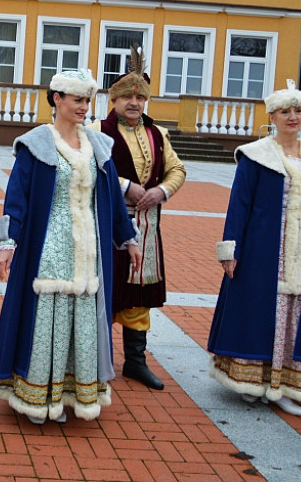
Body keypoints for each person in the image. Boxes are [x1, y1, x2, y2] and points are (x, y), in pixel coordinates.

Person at [0, 69, 141, 424]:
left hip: (89, 251)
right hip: (49, 248)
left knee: (81, 323)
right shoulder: (37, 143)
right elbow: (17, 198)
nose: (84, 107)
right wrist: (7, 243)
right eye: (77, 100)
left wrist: (127, 237)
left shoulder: (97, 146)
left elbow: (112, 200)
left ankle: (69, 394)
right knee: (48, 323)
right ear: (57, 99)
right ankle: (38, 396)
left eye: (87, 100)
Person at [208, 80, 301, 417]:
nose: (292, 116)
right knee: (259, 312)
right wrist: (231, 249)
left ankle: (283, 387)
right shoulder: (256, 156)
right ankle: (253, 383)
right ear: (272, 115)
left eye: (298, 110)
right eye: (285, 110)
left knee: (296, 317)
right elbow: (239, 205)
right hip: (262, 251)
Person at [87, 54, 185, 390]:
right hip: (108, 227)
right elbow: (87, 170)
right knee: (104, 290)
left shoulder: (158, 133)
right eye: (127, 97)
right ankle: (93, 360)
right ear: (113, 100)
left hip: (147, 229)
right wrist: (126, 186)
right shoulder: (96, 131)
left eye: (140, 97)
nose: (134, 102)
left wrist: (161, 191)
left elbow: (178, 170)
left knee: (139, 297)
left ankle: (135, 362)